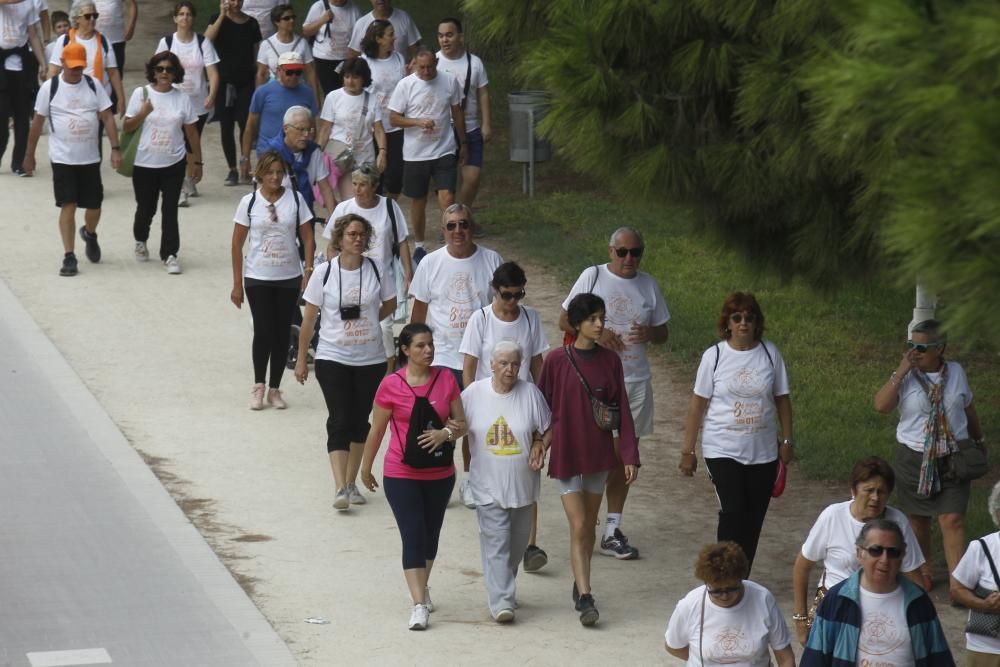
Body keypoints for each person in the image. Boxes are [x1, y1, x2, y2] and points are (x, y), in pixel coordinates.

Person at [560, 226, 669, 560]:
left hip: (635, 381)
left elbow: (664, 332)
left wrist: (651, 332)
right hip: (596, 384)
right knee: (600, 456)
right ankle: (586, 524)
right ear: (610, 251)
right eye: (622, 252)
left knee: (625, 458)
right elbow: (565, 319)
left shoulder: (649, 284)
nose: (629, 259)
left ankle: (611, 529)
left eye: (636, 252)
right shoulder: (592, 277)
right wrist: (600, 334)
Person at [537, 292, 639, 627]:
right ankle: (585, 596)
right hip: (566, 454)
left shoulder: (611, 361)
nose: (599, 325)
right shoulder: (555, 360)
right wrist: (540, 441)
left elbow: (622, 409)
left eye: (601, 318)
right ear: (578, 323)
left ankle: (580, 583)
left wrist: (628, 455)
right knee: (579, 525)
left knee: (588, 528)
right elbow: (542, 407)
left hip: (598, 455)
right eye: (593, 319)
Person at [360, 322, 467, 631]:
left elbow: (462, 423)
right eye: (421, 345)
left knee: (430, 536)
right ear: (405, 350)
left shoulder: (446, 379)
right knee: (413, 534)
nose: (428, 350)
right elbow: (377, 429)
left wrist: (444, 434)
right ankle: (418, 605)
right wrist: (365, 468)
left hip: (440, 473)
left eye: (430, 344)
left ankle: (422, 586)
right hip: (401, 472)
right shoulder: (390, 385)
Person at [680, 292, 793, 575]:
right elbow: (697, 404)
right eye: (737, 317)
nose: (744, 323)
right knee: (733, 511)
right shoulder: (715, 356)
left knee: (753, 519)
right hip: (722, 449)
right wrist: (688, 450)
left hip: (763, 452)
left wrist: (788, 440)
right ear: (727, 323)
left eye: (749, 318)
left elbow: (782, 399)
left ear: (757, 323)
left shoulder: (770, 353)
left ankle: (742, 576)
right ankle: (721, 573)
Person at [874, 318, 984, 592]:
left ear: (940, 348)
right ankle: (924, 571)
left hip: (952, 458)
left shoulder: (956, 372)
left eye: (922, 348)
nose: (915, 353)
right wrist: (900, 371)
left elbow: (967, 408)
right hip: (914, 458)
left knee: (952, 519)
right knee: (918, 518)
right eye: (911, 346)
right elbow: (881, 406)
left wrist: (978, 438)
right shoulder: (906, 376)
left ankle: (958, 583)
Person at [296, 213, 396, 509]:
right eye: (352, 234)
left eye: (362, 234)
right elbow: (310, 319)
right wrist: (302, 359)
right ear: (339, 239)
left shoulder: (377, 270)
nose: (358, 239)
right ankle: (340, 487)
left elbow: (389, 303)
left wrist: (367, 320)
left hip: (371, 358)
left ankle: (352, 484)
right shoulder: (324, 272)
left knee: (359, 419)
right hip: (332, 356)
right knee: (339, 418)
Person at [459, 261, 550, 570]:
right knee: (495, 465)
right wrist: (472, 400)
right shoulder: (480, 318)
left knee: (527, 467)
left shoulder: (530, 318)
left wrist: (543, 399)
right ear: (494, 291)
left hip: (521, 399)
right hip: (490, 398)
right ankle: (474, 483)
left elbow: (537, 362)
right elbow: (469, 365)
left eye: (518, 294)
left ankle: (530, 544)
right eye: (507, 295)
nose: (513, 301)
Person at [791, 456, 926, 645]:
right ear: (853, 490)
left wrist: (923, 619)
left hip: (882, 608)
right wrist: (800, 620)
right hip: (835, 605)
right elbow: (802, 567)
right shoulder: (832, 516)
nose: (875, 498)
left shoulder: (898, 522)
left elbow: (914, 577)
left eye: (882, 492)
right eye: (869, 490)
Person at [462, 340, 551, 623]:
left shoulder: (531, 394)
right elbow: (455, 425)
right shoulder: (474, 394)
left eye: (515, 364)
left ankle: (504, 588)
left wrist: (540, 443)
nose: (510, 369)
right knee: (496, 542)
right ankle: (501, 602)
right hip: (487, 485)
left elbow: (548, 428)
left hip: (523, 487)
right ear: (491, 364)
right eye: (503, 363)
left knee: (515, 545)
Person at [24, 42, 120, 276]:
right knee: (69, 204)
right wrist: (29, 155)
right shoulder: (51, 87)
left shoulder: (92, 84)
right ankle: (69, 256)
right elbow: (37, 123)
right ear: (64, 63)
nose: (76, 71)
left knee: (95, 205)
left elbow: (107, 117)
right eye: (72, 66)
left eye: (80, 67)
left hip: (89, 157)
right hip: (63, 158)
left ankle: (89, 231)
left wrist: (115, 149)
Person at [801, 519, 954, 666]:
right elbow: (815, 658)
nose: (884, 559)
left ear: (901, 557)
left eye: (893, 552)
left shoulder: (919, 602)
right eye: (876, 550)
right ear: (859, 553)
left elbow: (939, 658)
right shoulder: (836, 600)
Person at [231, 150, 314, 410]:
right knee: (264, 330)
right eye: (270, 172)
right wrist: (236, 283)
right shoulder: (250, 202)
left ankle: (275, 388)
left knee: (281, 332)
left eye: (279, 172)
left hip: (288, 275)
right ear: (261, 174)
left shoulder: (296, 200)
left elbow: (308, 237)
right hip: (258, 276)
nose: (275, 177)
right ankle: (258, 385)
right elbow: (236, 243)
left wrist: (308, 270)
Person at [322, 164, 412, 370]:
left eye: (362, 184)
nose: (357, 189)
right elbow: (331, 247)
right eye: (354, 184)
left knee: (384, 327)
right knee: (352, 324)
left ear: (374, 186)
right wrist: (334, 272)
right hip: (351, 274)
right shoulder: (344, 209)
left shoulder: (389, 206)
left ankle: (388, 375)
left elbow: (402, 241)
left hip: (382, 275)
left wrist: (408, 273)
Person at [124, 51, 202, 275]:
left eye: (169, 69)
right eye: (160, 69)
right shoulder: (142, 94)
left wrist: (196, 161)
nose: (164, 73)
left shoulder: (182, 98)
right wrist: (143, 112)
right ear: (153, 72)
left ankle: (170, 254)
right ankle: (140, 239)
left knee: (170, 210)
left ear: (175, 72)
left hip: (173, 162)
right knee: (146, 208)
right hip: (144, 163)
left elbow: (192, 132)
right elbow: (128, 126)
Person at [409, 204, 502, 389]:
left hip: (482, 356)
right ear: (443, 231)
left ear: (472, 228)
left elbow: (504, 309)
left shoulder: (493, 260)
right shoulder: (429, 263)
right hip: (443, 357)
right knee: (446, 417)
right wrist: (413, 356)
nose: (457, 230)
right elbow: (418, 313)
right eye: (451, 226)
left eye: (463, 224)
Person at [388, 47, 465, 262]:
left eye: (430, 66)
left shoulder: (449, 82)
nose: (426, 71)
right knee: (418, 200)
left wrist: (463, 142)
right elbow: (393, 118)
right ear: (414, 65)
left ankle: (451, 239)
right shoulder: (406, 85)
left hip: (445, 148)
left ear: (436, 64)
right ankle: (420, 245)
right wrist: (417, 121)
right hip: (415, 153)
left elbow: (457, 112)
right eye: (421, 67)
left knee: (448, 197)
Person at [665, 541, 795, 666]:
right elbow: (674, 646)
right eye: (716, 591)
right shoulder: (689, 605)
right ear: (706, 583)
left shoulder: (763, 598)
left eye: (732, 589)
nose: (724, 596)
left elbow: (785, 656)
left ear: (741, 579)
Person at [154, 2, 218, 208]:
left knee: (192, 143)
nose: (184, 18)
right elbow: (155, 70)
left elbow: (213, 72)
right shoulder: (167, 42)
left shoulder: (202, 42)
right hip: (173, 102)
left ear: (193, 18)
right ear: (175, 18)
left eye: (188, 14)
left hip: (198, 103)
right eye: (181, 14)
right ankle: (179, 187)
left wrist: (213, 94)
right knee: (178, 143)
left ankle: (191, 177)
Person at [435, 18, 490, 213]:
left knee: (472, 177)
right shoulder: (434, 63)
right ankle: (449, 223)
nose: (445, 40)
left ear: (460, 37)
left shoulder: (474, 63)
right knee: (446, 185)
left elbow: (483, 93)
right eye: (441, 36)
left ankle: (462, 216)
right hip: (444, 130)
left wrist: (486, 124)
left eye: (449, 35)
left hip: (471, 127)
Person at [204, 0, 261, 187]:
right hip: (224, 82)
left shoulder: (252, 23)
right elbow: (206, 40)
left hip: (245, 82)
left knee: (246, 124)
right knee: (226, 126)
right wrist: (222, 15)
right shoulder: (217, 19)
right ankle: (232, 169)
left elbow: (256, 52)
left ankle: (245, 162)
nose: (235, 3)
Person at [315, 56, 386, 201]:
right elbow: (325, 130)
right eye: (347, 76)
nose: (350, 81)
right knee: (350, 200)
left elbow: (378, 129)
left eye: (355, 77)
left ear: (364, 78)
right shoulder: (333, 97)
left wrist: (383, 152)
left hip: (366, 159)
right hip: (342, 159)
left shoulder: (372, 99)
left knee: (367, 199)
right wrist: (317, 156)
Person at [240, 50, 318, 180]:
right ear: (278, 70)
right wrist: (245, 157)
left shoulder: (307, 93)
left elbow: (312, 127)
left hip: (297, 154)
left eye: (298, 72)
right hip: (268, 153)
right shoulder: (263, 92)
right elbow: (250, 127)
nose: (294, 76)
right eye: (289, 72)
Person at [47, 1, 125, 118]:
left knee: (95, 135)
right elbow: (53, 71)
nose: (92, 19)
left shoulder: (104, 41)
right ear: (77, 18)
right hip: (71, 100)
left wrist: (121, 98)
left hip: (98, 101)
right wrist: (50, 96)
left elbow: (113, 72)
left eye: (95, 16)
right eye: (88, 16)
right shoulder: (64, 41)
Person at [951, 480, 1000, 666]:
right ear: (998, 513)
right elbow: (956, 589)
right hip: (986, 649)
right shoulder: (981, 548)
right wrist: (984, 605)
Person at [262, 105, 335, 222]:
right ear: (286, 129)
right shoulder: (272, 152)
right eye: (301, 129)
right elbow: (264, 192)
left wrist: (333, 217)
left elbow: (325, 188)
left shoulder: (314, 152)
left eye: (309, 129)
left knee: (308, 241)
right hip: (278, 215)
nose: (306, 135)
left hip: (305, 213)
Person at [359, 19, 405, 200]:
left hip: (396, 125)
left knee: (395, 176)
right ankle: (372, 214)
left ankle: (389, 206)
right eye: (390, 34)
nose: (395, 38)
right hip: (372, 128)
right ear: (378, 38)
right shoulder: (364, 62)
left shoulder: (399, 58)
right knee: (373, 176)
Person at [0, 0, 45, 176]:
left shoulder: (29, 5)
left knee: (22, 116)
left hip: (19, 63)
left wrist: (43, 63)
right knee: (1, 116)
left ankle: (19, 162)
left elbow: (33, 34)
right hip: (1, 63)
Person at [256, 3, 321, 109]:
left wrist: (316, 100)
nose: (292, 20)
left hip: (299, 91)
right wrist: (258, 99)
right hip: (274, 92)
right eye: (287, 18)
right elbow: (261, 74)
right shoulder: (266, 44)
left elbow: (311, 73)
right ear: (277, 22)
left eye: (293, 17)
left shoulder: (302, 43)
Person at [302, 0, 359, 97]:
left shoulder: (353, 8)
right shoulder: (319, 6)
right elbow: (306, 31)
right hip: (324, 58)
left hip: (347, 58)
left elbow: (359, 33)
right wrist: (322, 20)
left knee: (347, 92)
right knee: (331, 93)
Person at [347, 0, 420, 62]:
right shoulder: (361, 23)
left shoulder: (404, 18)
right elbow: (353, 54)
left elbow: (415, 50)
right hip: (370, 75)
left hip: (400, 73)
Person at [94, 0, 135, 72]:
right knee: (94, 70)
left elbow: (131, 4)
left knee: (116, 71)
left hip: (116, 39)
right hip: (93, 39)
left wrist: (131, 26)